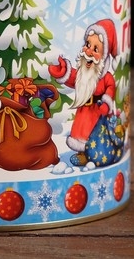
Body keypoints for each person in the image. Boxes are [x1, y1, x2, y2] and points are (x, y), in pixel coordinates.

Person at [48, 19, 118, 166]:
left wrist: (106, 102)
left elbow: (111, 88)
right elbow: (74, 78)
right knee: (80, 131)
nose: (89, 51)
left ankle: (95, 154)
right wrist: (63, 71)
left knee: (94, 134)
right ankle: (82, 154)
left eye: (95, 49)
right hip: (84, 111)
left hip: (97, 112)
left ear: (104, 56)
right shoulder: (83, 73)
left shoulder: (106, 77)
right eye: (88, 44)